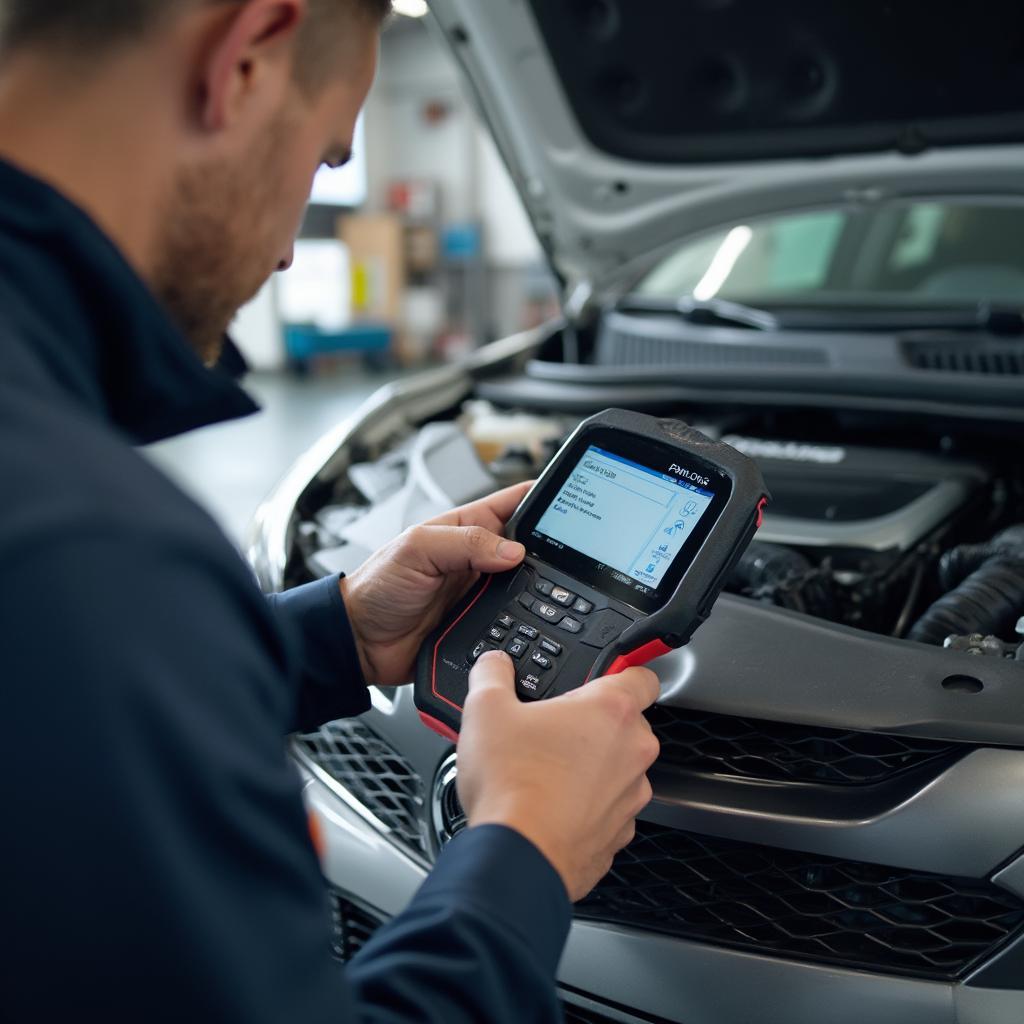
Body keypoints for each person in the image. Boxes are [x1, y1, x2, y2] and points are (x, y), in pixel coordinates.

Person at [0, 1, 662, 1021]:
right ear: (247, 57)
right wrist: (524, 848)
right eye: (322, 159)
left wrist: (336, 634)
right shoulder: (92, 551)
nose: (279, 257)